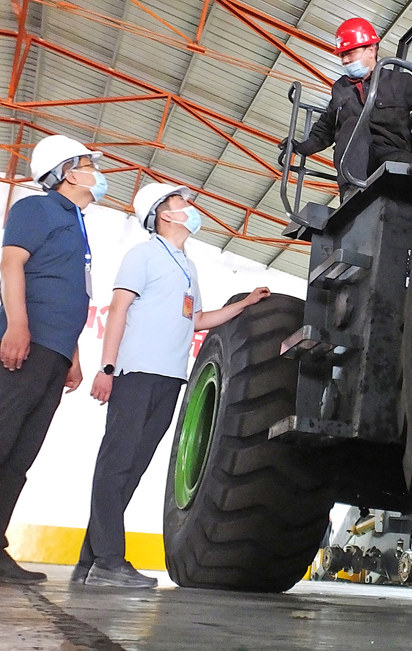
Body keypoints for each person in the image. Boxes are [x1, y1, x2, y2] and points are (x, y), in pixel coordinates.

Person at [72, 183, 271, 588]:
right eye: (181, 203)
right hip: (135, 373)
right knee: (116, 465)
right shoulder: (142, 255)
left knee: (134, 466)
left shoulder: (187, 266)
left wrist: (244, 305)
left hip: (170, 377)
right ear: (163, 214)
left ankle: (89, 560)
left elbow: (196, 319)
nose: (189, 207)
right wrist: (106, 368)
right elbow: (118, 310)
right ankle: (109, 562)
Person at [0, 135, 106, 584]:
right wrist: (17, 326)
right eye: (89, 164)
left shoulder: (78, 224)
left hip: (53, 352)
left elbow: (72, 296)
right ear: (68, 172)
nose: (97, 172)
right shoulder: (36, 208)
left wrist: (73, 354)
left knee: (19, 456)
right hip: (22, 342)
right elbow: (12, 265)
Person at [283, 17, 412, 195]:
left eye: (349, 53)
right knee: (353, 124)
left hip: (393, 156)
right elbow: (325, 129)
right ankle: (351, 193)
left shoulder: (399, 83)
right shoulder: (341, 89)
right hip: (357, 163)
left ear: (371, 50)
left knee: (405, 169)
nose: (345, 60)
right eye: (342, 55)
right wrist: (299, 148)